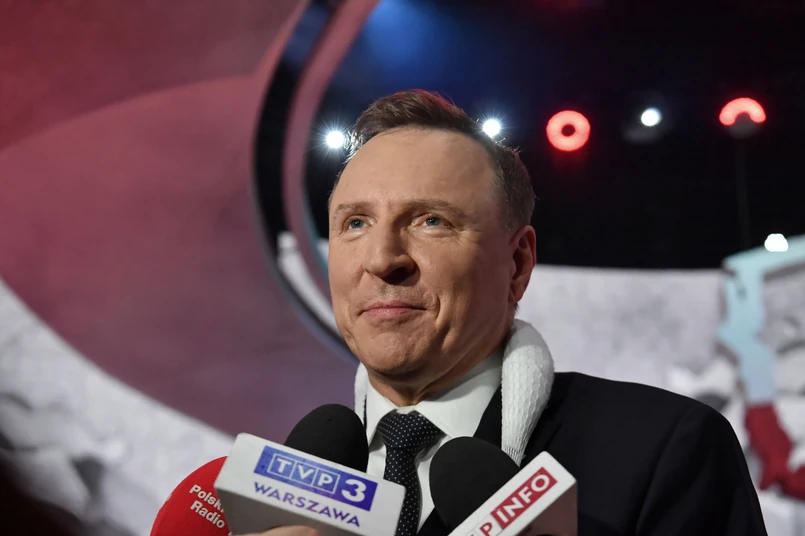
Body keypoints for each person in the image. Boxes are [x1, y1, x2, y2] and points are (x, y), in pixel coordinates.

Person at [253, 90, 767, 536]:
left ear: (517, 263)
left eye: (431, 221)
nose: (383, 259)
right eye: (356, 223)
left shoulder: (662, 450)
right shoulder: (281, 494)